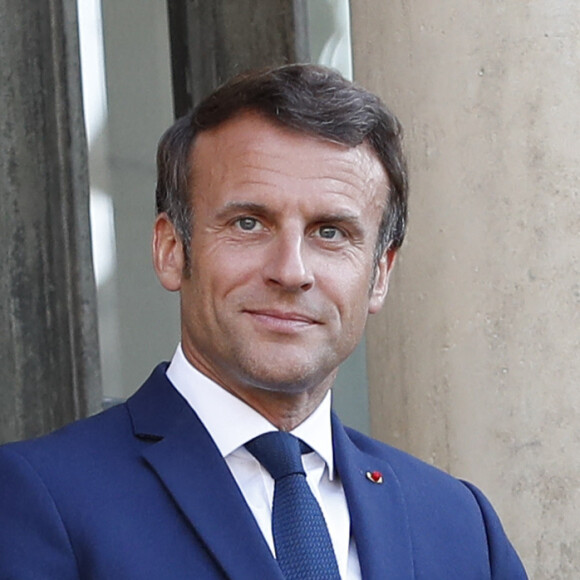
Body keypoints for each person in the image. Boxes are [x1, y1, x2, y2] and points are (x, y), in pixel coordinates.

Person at [0, 64, 527, 579]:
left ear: (380, 275)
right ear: (170, 250)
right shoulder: (39, 499)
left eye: (330, 232)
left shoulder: (460, 526)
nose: (291, 271)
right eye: (249, 223)